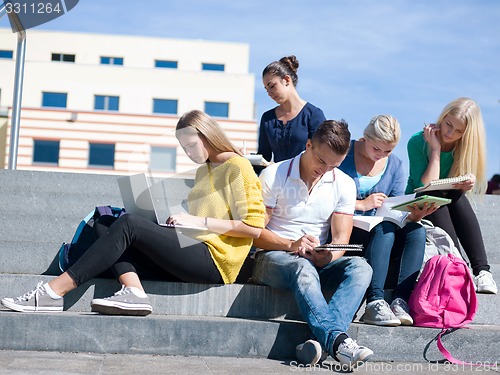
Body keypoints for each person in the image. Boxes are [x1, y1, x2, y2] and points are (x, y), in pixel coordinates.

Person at [2, 110, 266, 314]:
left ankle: (52, 293)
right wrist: (174, 224)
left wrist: (197, 220)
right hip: (190, 247)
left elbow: (254, 228)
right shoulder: (203, 171)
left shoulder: (238, 167)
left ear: (207, 135)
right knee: (105, 222)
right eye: (183, 148)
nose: (187, 153)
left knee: (128, 224)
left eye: (191, 145)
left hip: (215, 261)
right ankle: (134, 292)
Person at [251, 120, 374, 371]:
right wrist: (290, 244)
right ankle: (339, 342)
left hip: (314, 261)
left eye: (334, 166)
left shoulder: (344, 183)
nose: (325, 170)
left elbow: (340, 240)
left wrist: (327, 256)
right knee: (302, 269)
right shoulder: (274, 174)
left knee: (361, 268)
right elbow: (254, 234)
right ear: (308, 145)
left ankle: (322, 342)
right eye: (321, 161)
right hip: (272, 258)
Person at [339, 115, 436, 327]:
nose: (381, 155)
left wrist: (412, 215)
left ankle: (400, 300)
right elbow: (324, 193)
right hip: (345, 232)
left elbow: (395, 205)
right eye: (376, 149)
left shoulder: (395, 165)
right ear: (365, 138)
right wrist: (361, 204)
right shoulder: (344, 152)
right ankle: (374, 301)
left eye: (387, 151)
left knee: (416, 230)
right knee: (385, 228)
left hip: (381, 235)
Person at [406, 97, 497, 294]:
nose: (449, 133)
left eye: (458, 131)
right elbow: (425, 186)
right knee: (436, 195)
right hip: (419, 203)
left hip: (448, 202)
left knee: (458, 196)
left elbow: (454, 188)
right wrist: (436, 150)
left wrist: (467, 183)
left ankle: (482, 270)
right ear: (443, 115)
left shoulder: (464, 146)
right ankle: (460, 266)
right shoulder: (417, 141)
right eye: (448, 124)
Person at [258, 55, 326, 163]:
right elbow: (263, 158)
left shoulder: (314, 115)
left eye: (272, 86)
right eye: (266, 90)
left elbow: (321, 156)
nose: (269, 93)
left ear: (286, 80)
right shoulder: (267, 119)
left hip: (306, 179)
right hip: (276, 179)